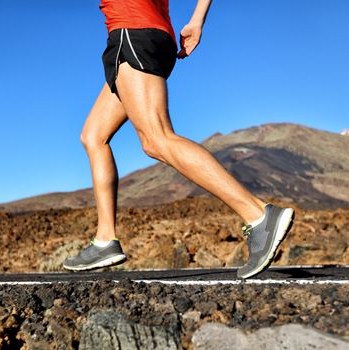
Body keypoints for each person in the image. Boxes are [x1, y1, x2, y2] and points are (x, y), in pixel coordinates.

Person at [62, 0, 295, 279]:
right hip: (149, 37)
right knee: (93, 135)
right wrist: (197, 20)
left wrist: (196, 21)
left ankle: (258, 215)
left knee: (156, 138)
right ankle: (104, 239)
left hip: (131, 33)